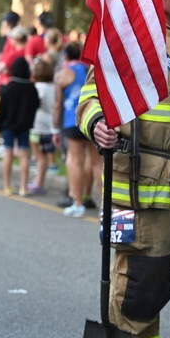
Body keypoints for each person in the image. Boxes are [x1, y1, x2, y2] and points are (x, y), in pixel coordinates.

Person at [77, 0, 170, 338]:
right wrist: (98, 123)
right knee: (142, 282)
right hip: (143, 188)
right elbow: (90, 96)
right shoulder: (127, 38)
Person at [55, 41, 97, 216]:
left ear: (65, 56)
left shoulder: (64, 74)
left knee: (74, 160)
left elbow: (58, 105)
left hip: (71, 120)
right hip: (91, 117)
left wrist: (54, 129)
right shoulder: (89, 70)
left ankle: (78, 202)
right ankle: (108, 206)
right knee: (96, 162)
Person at [0, 57, 39, 196]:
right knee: (24, 155)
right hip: (25, 126)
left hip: (8, 126)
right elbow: (36, 105)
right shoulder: (32, 88)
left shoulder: (8, 88)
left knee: (8, 153)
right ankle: (23, 187)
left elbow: (2, 110)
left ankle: (7, 185)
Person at [27, 58, 57, 195]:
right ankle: (39, 180)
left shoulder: (38, 88)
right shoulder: (54, 87)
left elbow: (34, 103)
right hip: (50, 126)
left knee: (39, 156)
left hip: (37, 126)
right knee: (44, 155)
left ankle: (38, 182)